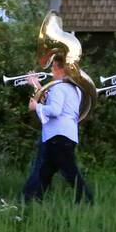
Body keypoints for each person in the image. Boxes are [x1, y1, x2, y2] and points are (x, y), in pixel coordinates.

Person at [22, 55, 93, 203]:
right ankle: (30, 201)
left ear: (60, 69)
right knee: (43, 173)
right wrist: (37, 85)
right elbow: (52, 101)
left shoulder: (58, 87)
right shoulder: (75, 89)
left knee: (70, 173)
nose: (51, 71)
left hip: (58, 137)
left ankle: (87, 201)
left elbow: (55, 110)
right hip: (64, 136)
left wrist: (36, 106)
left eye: (53, 67)